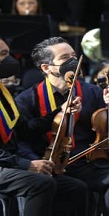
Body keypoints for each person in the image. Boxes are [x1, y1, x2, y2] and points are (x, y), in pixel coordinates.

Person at [17, 37, 109, 216]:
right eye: (64, 58)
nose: (72, 61)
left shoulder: (93, 92)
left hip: (85, 163)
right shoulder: (27, 99)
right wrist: (34, 163)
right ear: (47, 68)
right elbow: (20, 139)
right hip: (47, 164)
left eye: (73, 55)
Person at [0, 37, 58, 215]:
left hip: (7, 163)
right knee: (41, 184)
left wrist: (59, 113)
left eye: (8, 53)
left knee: (73, 186)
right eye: (3, 55)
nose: (10, 60)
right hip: (5, 164)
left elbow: (25, 130)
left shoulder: (4, 92)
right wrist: (26, 164)